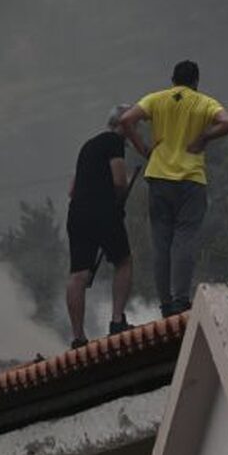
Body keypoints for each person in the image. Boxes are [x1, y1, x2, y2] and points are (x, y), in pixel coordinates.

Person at [120, 60, 228, 317]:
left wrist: (142, 147)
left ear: (172, 80)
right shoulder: (204, 102)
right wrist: (204, 137)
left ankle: (165, 304)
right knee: (185, 239)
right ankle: (181, 300)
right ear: (196, 82)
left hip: (158, 178)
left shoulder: (156, 99)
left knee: (161, 243)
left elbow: (126, 119)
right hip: (191, 180)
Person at [65, 104, 148, 348]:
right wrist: (117, 202)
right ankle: (117, 321)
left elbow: (72, 189)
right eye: (134, 125)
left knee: (78, 274)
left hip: (77, 213)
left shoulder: (88, 145)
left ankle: (78, 337)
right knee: (123, 261)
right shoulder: (114, 142)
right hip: (102, 211)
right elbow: (119, 181)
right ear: (124, 124)